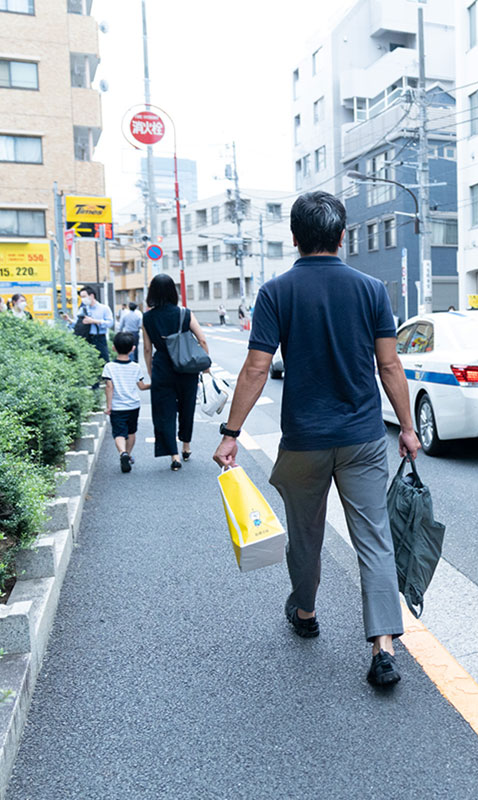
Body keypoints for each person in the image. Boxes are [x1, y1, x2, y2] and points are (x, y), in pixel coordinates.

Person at [213, 191, 421, 688]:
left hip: (304, 439)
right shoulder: (371, 289)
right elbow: (390, 365)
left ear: (294, 238)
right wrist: (408, 427)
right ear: (342, 236)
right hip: (363, 436)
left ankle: (305, 612)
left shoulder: (276, 292)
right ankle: (383, 646)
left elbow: (256, 367)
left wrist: (231, 433)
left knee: (305, 534)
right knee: (373, 537)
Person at [142, 274, 209, 470]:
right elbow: (202, 339)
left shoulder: (147, 317)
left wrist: (151, 371)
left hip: (162, 367)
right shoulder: (184, 313)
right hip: (186, 367)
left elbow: (147, 349)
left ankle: (174, 456)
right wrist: (205, 365)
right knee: (187, 407)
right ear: (173, 291)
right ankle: (186, 446)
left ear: (152, 293)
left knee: (165, 412)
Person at [102, 332, 151, 473]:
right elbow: (141, 386)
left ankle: (122, 452)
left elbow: (109, 387)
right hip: (133, 405)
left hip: (117, 407)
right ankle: (128, 455)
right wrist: (154, 385)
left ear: (113, 348)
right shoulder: (136, 367)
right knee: (131, 432)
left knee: (118, 433)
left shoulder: (109, 367)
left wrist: (109, 406)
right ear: (133, 349)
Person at [77, 286, 113, 361]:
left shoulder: (104, 308)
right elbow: (77, 324)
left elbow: (110, 323)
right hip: (87, 338)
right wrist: (69, 320)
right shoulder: (83, 309)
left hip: (99, 338)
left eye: (84, 296)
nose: (83, 299)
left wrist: (94, 321)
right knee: (88, 361)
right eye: (81, 297)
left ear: (92, 296)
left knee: (103, 361)